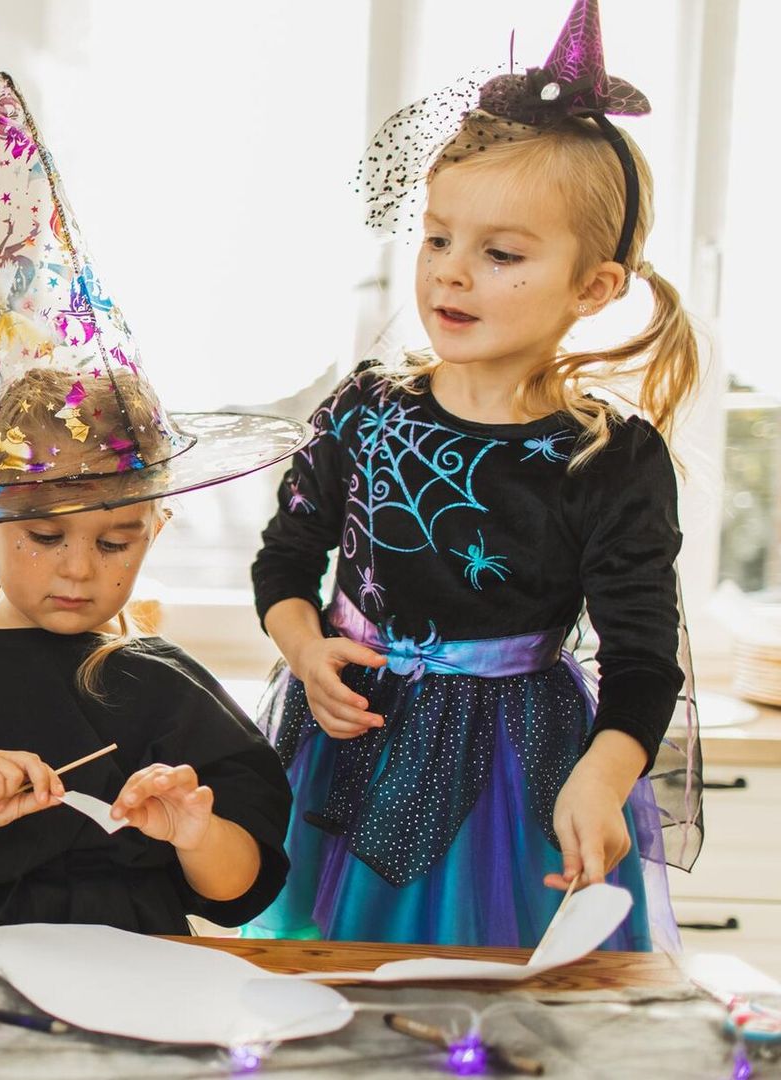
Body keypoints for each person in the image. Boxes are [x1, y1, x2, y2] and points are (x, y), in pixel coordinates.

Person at [246, 0, 699, 950]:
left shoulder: (609, 460)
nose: (450, 273)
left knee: (482, 997)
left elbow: (644, 660)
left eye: (499, 254)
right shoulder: (363, 410)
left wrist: (603, 776)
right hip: (346, 746)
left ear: (592, 286)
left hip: (512, 769)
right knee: (328, 989)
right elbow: (283, 565)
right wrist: (304, 648)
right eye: (437, 236)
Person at [0, 73, 307, 933]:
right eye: (46, 536)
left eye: (116, 542)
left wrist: (195, 834)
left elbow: (242, 887)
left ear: (157, 528)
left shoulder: (163, 684)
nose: (78, 569)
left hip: (141, 983)